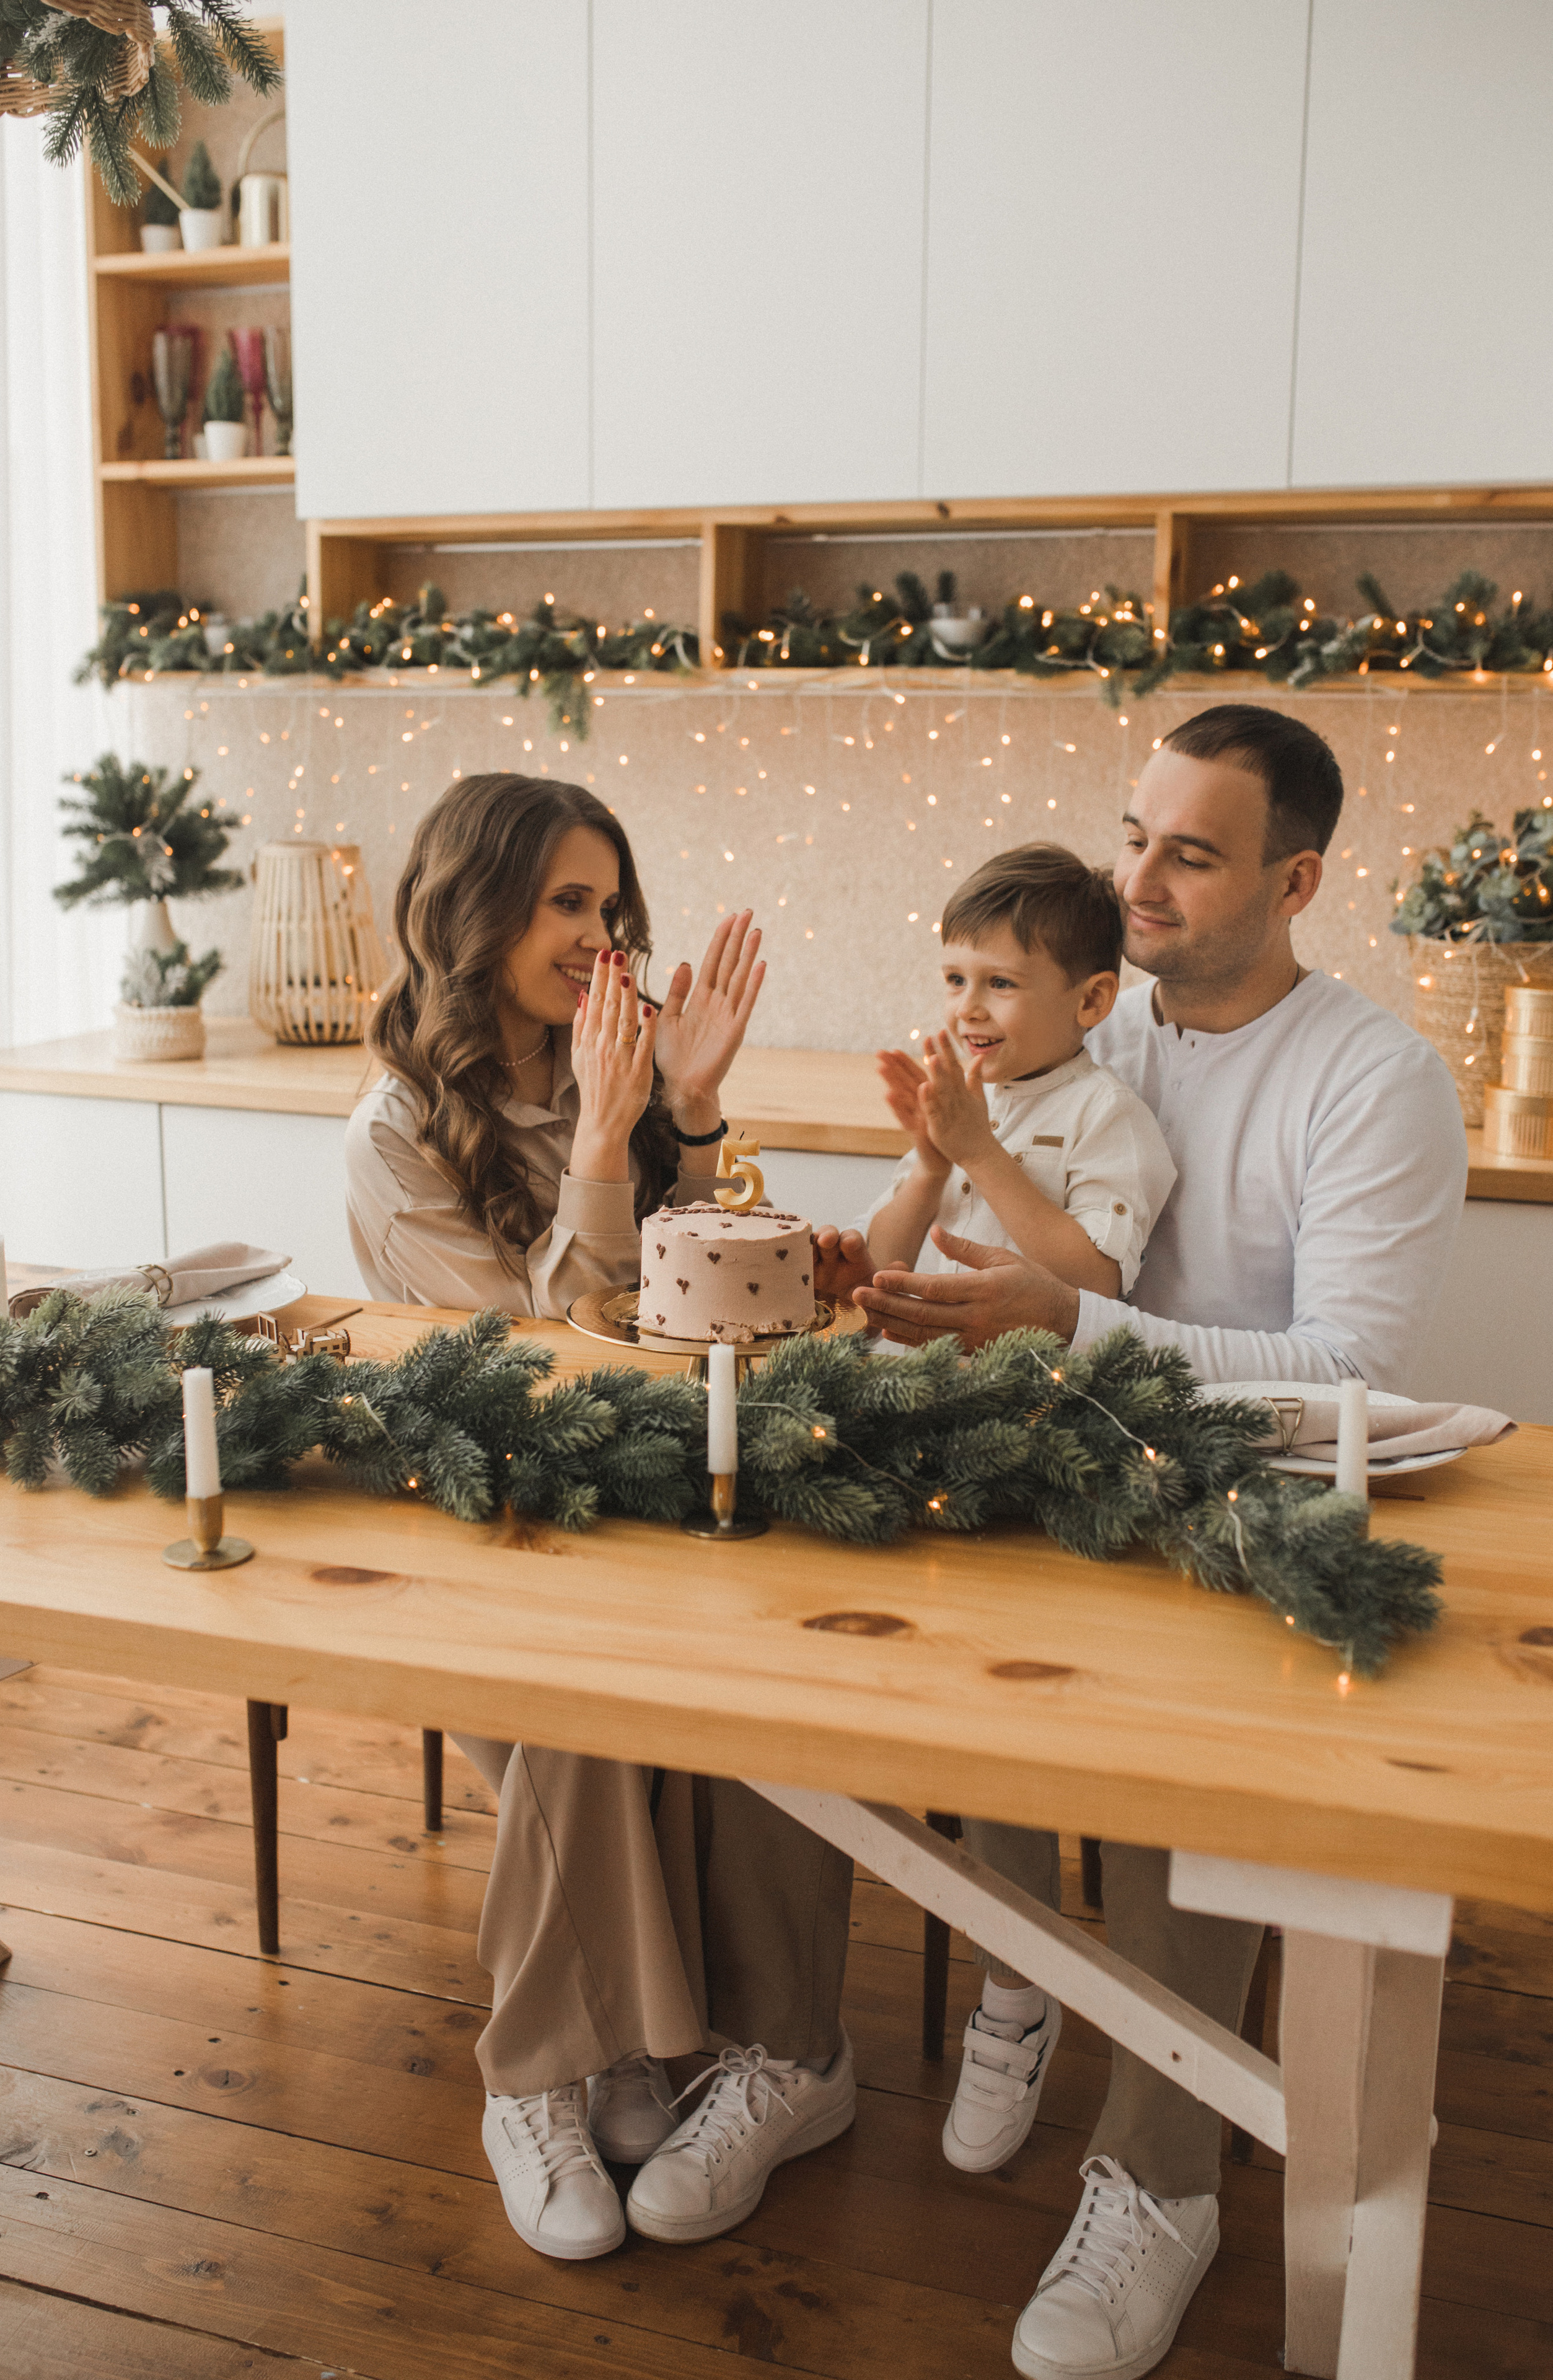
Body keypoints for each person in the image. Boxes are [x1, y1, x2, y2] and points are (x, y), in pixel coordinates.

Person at [822, 705, 1467, 2380]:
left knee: (1197, 1806)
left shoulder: (1372, 1078)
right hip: (1043, 1480)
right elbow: (980, 1191)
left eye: (1193, 852)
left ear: (1297, 877)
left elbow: (1352, 1374)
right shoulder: (1086, 1023)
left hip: (1259, 1494)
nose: (1142, 880)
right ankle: (987, 1995)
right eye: (1135, 837)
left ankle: (1162, 2180)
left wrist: (1070, 1323)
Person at [346, 774, 857, 2263]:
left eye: (607, 902)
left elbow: (670, 1297)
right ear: (475, 907)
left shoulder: (603, 1068)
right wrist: (611, 1135)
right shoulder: (392, 1134)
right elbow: (540, 1357)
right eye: (566, 900)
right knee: (575, 1680)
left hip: (635, 1479)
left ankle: (688, 2040)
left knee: (758, 1619)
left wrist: (683, 1114)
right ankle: (549, 2070)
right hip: (480, 1507)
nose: (599, 930)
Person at [860, 843, 1175, 1310]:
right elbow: (876, 1268)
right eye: (955, 980)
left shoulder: (1108, 1116)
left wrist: (979, 1154)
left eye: (1001, 983)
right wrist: (931, 1166)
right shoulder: (957, 1104)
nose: (967, 1008)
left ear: (1090, 1001)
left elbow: (1094, 1284)